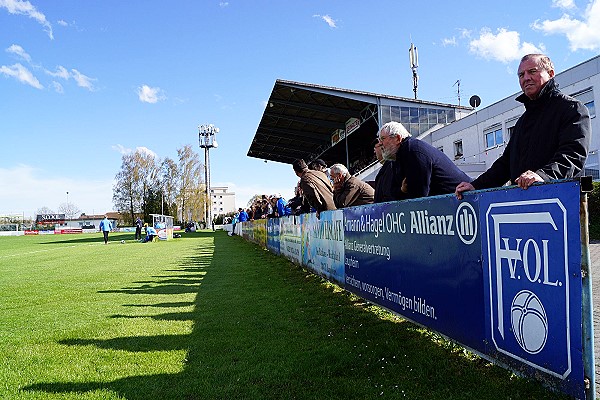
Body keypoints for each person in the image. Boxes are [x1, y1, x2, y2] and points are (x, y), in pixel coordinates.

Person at [456, 53, 591, 199]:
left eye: (532, 71)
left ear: (551, 74)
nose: (526, 78)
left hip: (561, 205)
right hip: (524, 206)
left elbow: (573, 155)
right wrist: (476, 186)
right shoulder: (522, 121)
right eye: (521, 75)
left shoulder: (572, 109)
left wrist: (543, 176)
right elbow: (506, 164)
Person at [378, 121, 471, 199]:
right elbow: (392, 192)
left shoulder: (413, 150)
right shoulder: (396, 159)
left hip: (464, 197)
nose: (380, 144)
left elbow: (418, 196)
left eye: (383, 139)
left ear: (398, 138)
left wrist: (403, 191)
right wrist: (402, 190)